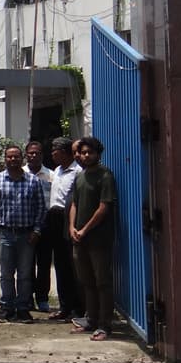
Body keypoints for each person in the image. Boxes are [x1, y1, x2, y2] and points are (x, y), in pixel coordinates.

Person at [0, 144, 46, 323]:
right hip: (5, 234)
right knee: (6, 274)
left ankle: (23, 308)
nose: (13, 159)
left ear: (22, 159)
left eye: (16, 157)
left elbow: (41, 208)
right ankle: (7, 307)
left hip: (26, 235)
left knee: (25, 274)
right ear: (5, 159)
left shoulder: (33, 181)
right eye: (9, 157)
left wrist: (36, 230)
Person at [69, 135, 117, 341]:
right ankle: (91, 319)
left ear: (98, 154)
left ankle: (105, 325)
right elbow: (74, 204)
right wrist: (72, 227)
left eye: (90, 152)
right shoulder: (81, 176)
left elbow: (104, 207)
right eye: (83, 152)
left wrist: (85, 229)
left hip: (98, 238)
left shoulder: (105, 176)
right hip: (79, 238)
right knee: (86, 281)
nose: (86, 155)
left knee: (102, 281)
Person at [47, 136, 82, 321]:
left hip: (67, 218)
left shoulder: (77, 172)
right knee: (59, 264)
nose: (52, 154)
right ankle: (64, 306)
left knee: (72, 265)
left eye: (56, 150)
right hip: (54, 218)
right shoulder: (57, 171)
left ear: (67, 152)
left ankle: (77, 308)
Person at [24, 140, 55, 313]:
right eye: (31, 153)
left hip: (45, 227)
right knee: (26, 265)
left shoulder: (51, 175)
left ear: (42, 155)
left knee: (43, 265)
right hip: (25, 226)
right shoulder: (19, 173)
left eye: (37, 153)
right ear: (26, 154)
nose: (34, 155)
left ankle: (42, 298)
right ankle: (27, 299)